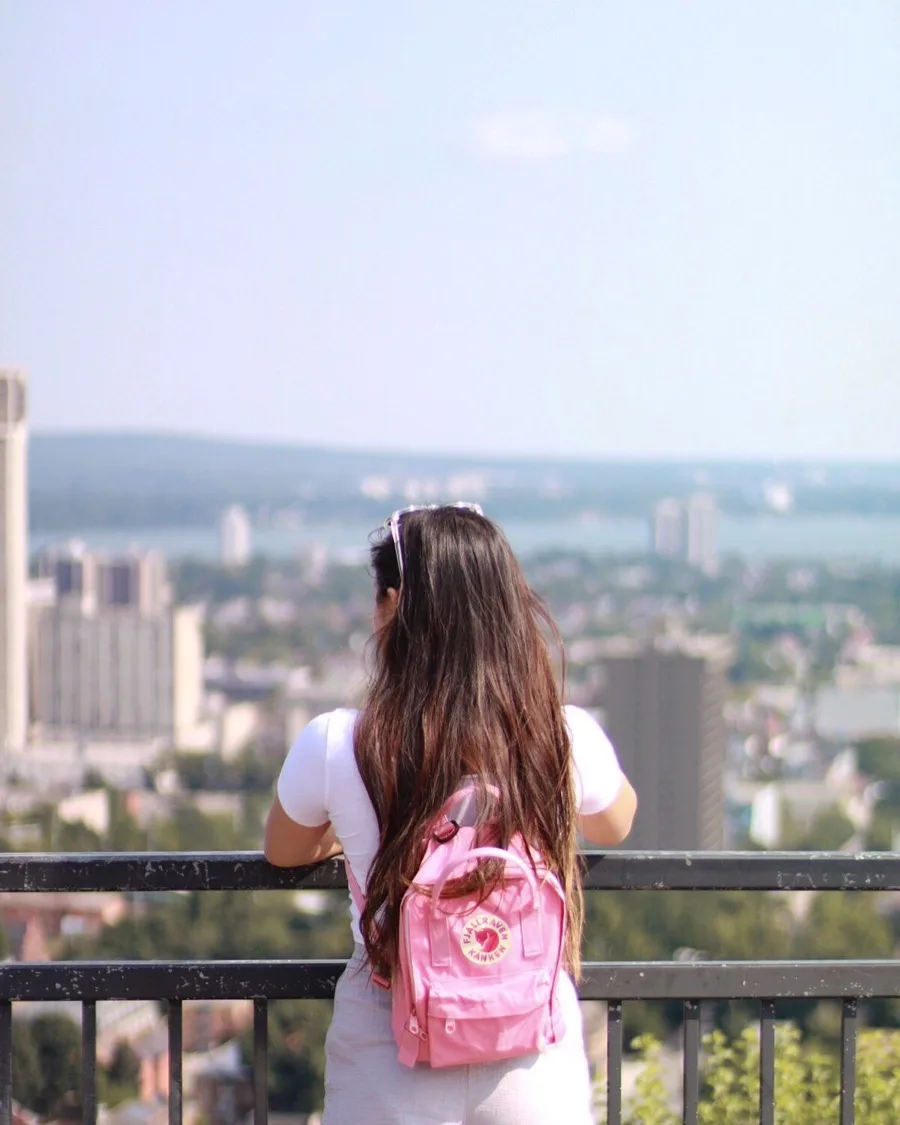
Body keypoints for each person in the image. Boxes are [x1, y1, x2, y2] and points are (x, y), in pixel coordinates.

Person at [265, 504, 637, 1125]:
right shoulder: (562, 737)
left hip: (388, 1036)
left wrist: (342, 840)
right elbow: (615, 822)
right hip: (529, 1044)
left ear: (391, 603)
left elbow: (283, 850)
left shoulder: (338, 744)